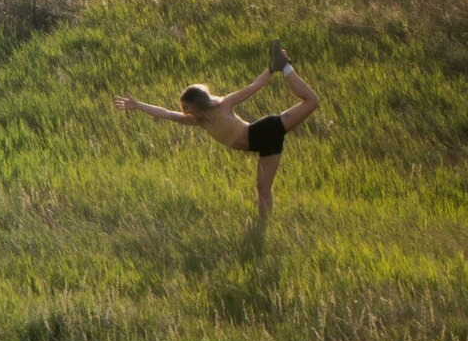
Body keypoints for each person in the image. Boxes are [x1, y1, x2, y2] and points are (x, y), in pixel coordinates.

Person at [113, 41, 319, 218]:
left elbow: (253, 87)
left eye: (187, 107)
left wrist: (271, 69)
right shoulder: (198, 121)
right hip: (264, 144)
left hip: (265, 131)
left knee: (311, 102)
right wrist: (138, 105)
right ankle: (265, 224)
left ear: (198, 103)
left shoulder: (224, 104)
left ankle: (284, 67)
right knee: (262, 188)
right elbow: (166, 114)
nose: (184, 111)